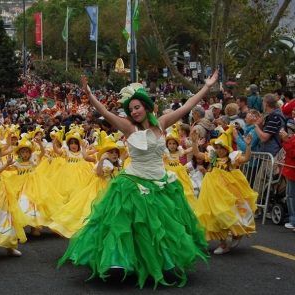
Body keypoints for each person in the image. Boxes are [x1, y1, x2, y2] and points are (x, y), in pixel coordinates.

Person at [58, 73, 219, 289]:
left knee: (158, 228)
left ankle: (160, 262)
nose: (134, 111)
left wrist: (206, 87)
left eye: (137, 107)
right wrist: (89, 94)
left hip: (160, 182)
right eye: (131, 109)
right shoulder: (128, 127)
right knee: (126, 225)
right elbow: (104, 112)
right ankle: (120, 261)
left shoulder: (162, 123)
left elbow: (188, 105)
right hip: (133, 181)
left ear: (145, 106)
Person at [191, 126, 257, 254]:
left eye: (222, 148)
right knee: (215, 215)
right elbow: (197, 154)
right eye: (217, 147)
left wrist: (248, 146)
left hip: (227, 191)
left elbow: (246, 158)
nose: (219, 150)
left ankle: (236, 234)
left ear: (227, 148)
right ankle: (223, 243)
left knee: (227, 213)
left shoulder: (232, 159)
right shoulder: (212, 157)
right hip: (211, 191)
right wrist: (194, 143)